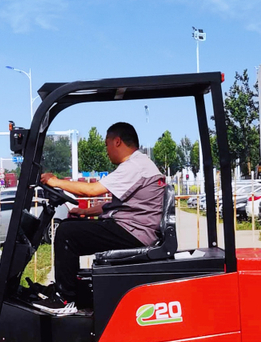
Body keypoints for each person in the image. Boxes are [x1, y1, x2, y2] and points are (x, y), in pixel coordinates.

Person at [34, 121, 165, 314]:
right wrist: (85, 212)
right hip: (134, 229)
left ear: (117, 141)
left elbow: (92, 190)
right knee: (71, 225)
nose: (106, 150)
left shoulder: (135, 166)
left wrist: (55, 181)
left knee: (67, 233)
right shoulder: (139, 164)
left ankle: (65, 299)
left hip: (135, 233)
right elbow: (118, 205)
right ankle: (67, 290)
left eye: (106, 144)